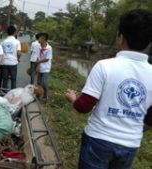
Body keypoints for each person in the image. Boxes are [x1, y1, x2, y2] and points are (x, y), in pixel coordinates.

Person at [65, 9, 152, 169]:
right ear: (149, 42)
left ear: (120, 37)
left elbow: (83, 106)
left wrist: (72, 98)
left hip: (98, 141)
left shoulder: (104, 66)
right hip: (130, 144)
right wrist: (132, 129)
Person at [35, 33, 52, 103]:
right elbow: (37, 57)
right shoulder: (38, 47)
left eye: (40, 38)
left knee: (44, 82)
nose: (38, 39)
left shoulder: (49, 48)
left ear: (44, 39)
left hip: (46, 68)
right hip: (40, 67)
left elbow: (47, 59)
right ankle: (38, 95)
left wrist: (39, 61)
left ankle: (45, 96)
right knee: (39, 82)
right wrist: (37, 66)